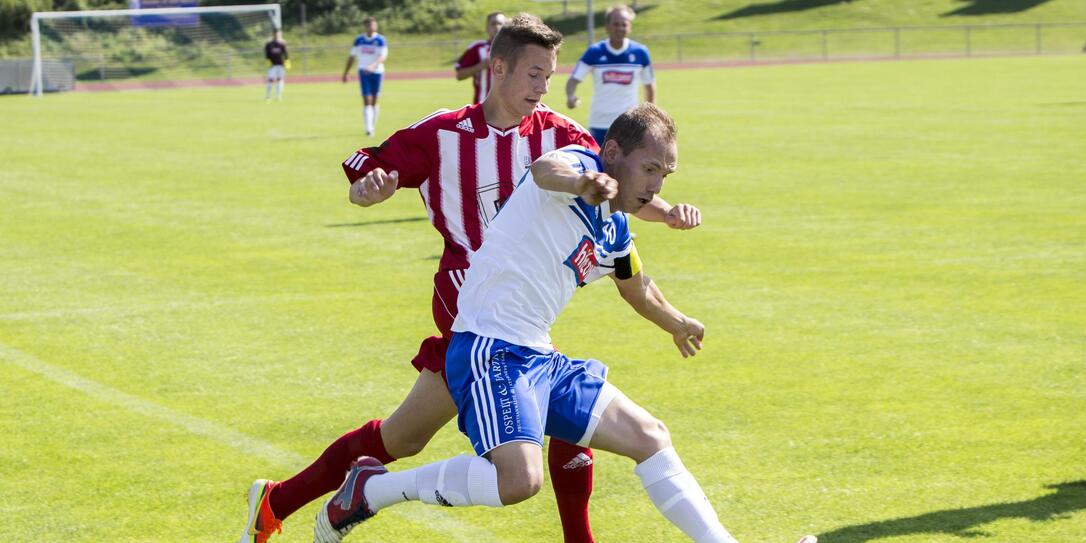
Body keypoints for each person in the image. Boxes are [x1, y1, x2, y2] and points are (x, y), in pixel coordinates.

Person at [237, 14, 701, 543]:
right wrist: (369, 188)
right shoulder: (441, 132)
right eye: (532, 74)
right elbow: (369, 170)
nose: (542, 87)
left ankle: (278, 499)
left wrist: (665, 211)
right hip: (469, 307)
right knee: (560, 413)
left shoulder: (560, 133)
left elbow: (613, 184)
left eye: (548, 75)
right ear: (497, 67)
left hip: (522, 308)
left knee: (404, 438)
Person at [313, 103, 817, 543]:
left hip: (538, 356)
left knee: (651, 436)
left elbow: (636, 286)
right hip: (489, 349)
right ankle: (372, 489)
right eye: (650, 169)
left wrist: (677, 321)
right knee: (519, 482)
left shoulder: (616, 226)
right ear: (614, 152)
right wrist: (583, 182)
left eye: (666, 174)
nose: (657, 185)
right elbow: (544, 168)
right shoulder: (577, 164)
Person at [565, 4, 655, 146]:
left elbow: (649, 85)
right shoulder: (594, 52)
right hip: (599, 122)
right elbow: (573, 80)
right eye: (615, 24)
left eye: (624, 24)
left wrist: (650, 114)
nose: (620, 28)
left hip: (629, 123)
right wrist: (571, 96)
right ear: (607, 26)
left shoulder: (640, 52)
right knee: (598, 166)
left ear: (630, 27)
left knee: (627, 166)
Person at [342, 17, 387, 136]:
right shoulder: (359, 40)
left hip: (377, 72)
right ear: (366, 27)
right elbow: (352, 57)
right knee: (367, 100)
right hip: (363, 72)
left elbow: (382, 57)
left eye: (374, 25)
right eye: (370, 25)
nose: (372, 27)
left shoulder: (380, 40)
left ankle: (372, 125)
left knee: (375, 100)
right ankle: (369, 129)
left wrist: (373, 66)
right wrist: (346, 73)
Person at [454, 11, 507, 104]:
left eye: (500, 23)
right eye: (493, 23)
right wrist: (480, 66)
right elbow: (460, 75)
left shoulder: (515, 49)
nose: (497, 27)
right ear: (487, 28)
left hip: (507, 107)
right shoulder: (478, 47)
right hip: (481, 106)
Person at [264, 29, 288, 101]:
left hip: (281, 65)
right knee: (270, 79)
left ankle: (278, 96)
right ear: (273, 34)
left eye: (279, 34)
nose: (277, 35)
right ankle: (268, 96)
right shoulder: (269, 44)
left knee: (279, 79)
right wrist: (268, 62)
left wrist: (287, 63)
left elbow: (286, 54)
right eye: (276, 34)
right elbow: (267, 55)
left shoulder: (282, 43)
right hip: (272, 65)